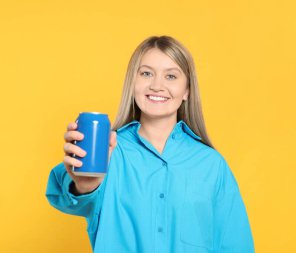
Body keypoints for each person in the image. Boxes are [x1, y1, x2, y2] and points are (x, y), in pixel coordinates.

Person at [46, 35, 255, 252]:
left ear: (187, 91)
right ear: (132, 83)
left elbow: (236, 244)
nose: (157, 85)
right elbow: (63, 195)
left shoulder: (212, 164)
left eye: (171, 76)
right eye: (146, 73)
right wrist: (85, 185)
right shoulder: (107, 151)